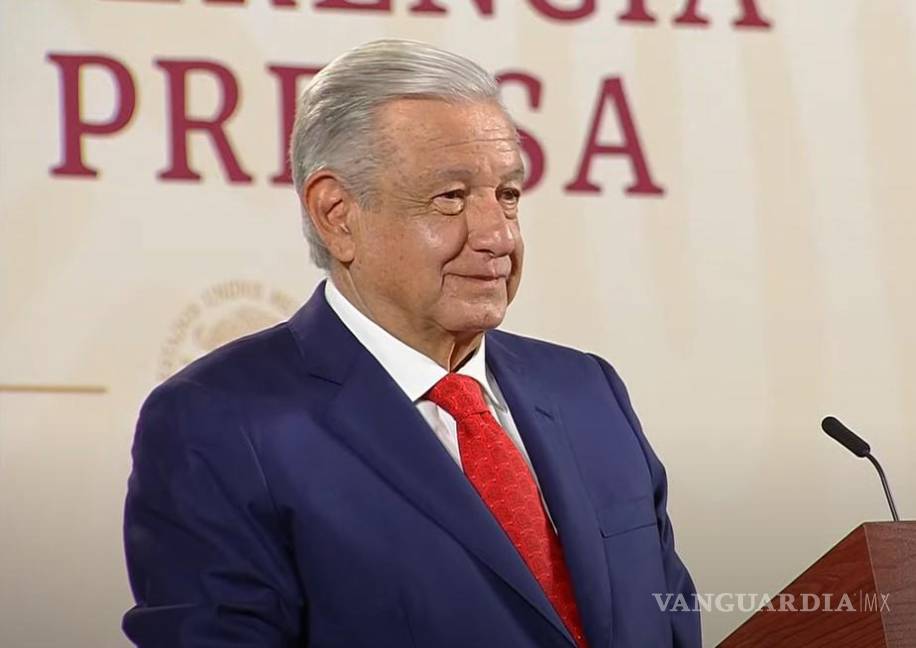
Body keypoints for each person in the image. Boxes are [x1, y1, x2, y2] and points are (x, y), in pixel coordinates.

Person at [123, 39, 701, 648]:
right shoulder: (218, 423)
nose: (499, 236)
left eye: (507, 195)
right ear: (336, 213)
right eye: (451, 198)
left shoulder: (588, 390)